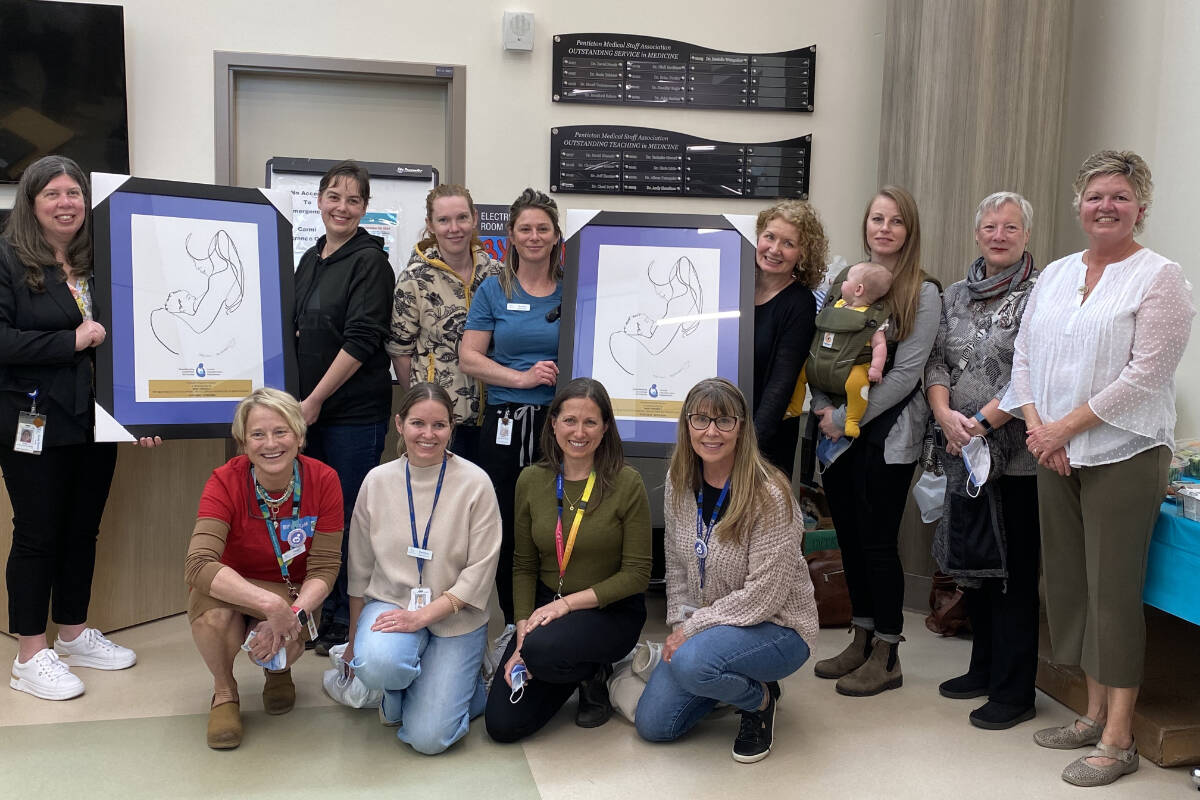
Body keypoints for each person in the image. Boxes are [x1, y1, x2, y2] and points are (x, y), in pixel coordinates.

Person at [1001, 151, 1194, 787]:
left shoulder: (1160, 277)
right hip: (1053, 449)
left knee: (1113, 593)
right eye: (1094, 196)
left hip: (1123, 452)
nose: (1105, 206)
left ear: (1141, 206)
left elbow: (1146, 375)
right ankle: (1089, 713)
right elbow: (1025, 354)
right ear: (1078, 205)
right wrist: (1038, 427)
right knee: (1070, 585)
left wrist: (1065, 427)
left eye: (1120, 196)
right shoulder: (1055, 273)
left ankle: (1119, 738)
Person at [1, 156, 160, 702]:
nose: (66, 203)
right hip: (33, 418)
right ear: (31, 202)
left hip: (96, 420)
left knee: (81, 529)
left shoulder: (101, 259)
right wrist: (70, 341)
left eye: (74, 193)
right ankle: (29, 653)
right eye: (53, 194)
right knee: (37, 532)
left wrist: (144, 411)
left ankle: (71, 633)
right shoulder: (6, 257)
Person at [635, 378, 817, 764]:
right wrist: (677, 624)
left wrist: (692, 632)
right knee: (654, 725)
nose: (711, 432)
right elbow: (677, 563)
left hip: (779, 627)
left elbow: (763, 598)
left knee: (690, 662)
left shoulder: (770, 494)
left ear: (742, 428)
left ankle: (759, 699)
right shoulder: (679, 480)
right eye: (700, 420)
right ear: (687, 425)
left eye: (724, 421)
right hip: (713, 626)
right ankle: (722, 673)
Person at [810, 185, 940, 696]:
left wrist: (846, 415)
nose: (884, 229)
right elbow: (821, 351)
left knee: (878, 543)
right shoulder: (845, 281)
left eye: (896, 221)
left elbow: (906, 375)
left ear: (910, 231)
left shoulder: (923, 293)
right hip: (837, 436)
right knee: (849, 539)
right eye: (876, 219)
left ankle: (888, 653)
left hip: (887, 437)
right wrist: (825, 411)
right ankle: (860, 639)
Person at [924, 191, 1040, 730]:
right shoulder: (953, 295)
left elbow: (1034, 372)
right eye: (990, 226)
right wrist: (947, 415)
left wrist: (983, 424)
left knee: (1014, 573)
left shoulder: (1040, 296)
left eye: (1010, 228)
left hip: (1016, 457)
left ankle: (1014, 690)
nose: (999, 235)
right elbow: (938, 361)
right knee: (977, 568)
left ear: (1025, 237)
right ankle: (984, 667)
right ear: (977, 234)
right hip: (960, 452)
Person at [484, 378, 651, 742]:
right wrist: (522, 627)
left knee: (543, 650)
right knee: (502, 724)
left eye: (590, 422)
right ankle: (582, 671)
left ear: (606, 427)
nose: (579, 431)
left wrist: (565, 608)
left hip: (609, 612)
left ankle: (591, 665)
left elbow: (637, 574)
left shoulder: (627, 483)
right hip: (546, 611)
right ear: (554, 423)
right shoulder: (530, 480)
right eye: (570, 420)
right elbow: (524, 563)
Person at [342, 383, 501, 754]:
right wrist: (353, 643)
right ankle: (413, 682)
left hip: (456, 614)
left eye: (439, 425)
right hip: (392, 604)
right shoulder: (377, 482)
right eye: (417, 423)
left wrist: (424, 617)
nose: (428, 435)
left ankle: (466, 683)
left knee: (429, 739)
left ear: (452, 427)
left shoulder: (476, 483)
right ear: (399, 424)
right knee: (377, 664)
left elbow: (480, 570)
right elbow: (359, 570)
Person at [184, 388, 343, 749]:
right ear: (243, 443)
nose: (270, 444)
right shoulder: (225, 480)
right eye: (257, 434)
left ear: (300, 436)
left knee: (291, 623)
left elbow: (324, 568)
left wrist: (293, 610)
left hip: (291, 589)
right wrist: (270, 607)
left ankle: (279, 672)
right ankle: (224, 692)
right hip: (233, 587)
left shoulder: (324, 480)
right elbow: (199, 563)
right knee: (214, 618)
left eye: (281, 431)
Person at [293, 160, 394, 654]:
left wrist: (313, 401)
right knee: (313, 516)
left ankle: (340, 615)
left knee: (347, 515)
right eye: (335, 196)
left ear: (364, 209)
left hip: (352, 415)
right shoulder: (310, 260)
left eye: (354, 200)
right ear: (319, 200)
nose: (342, 207)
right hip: (308, 414)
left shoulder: (371, 262)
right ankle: (315, 605)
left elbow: (361, 339)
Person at [460, 188, 563, 626]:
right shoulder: (492, 290)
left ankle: (552, 615)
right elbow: (470, 357)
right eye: (526, 228)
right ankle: (513, 620)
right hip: (505, 425)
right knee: (505, 525)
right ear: (512, 236)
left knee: (554, 526)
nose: (534, 236)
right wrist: (521, 378)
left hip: (562, 430)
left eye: (543, 228)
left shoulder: (572, 290)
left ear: (557, 236)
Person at [387, 185, 502, 463]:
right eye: (443, 220)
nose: (454, 228)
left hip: (494, 412)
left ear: (474, 218)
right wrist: (422, 398)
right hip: (439, 419)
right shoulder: (414, 279)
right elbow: (400, 350)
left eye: (462, 218)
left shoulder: (496, 272)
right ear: (430, 224)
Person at [751, 199, 827, 477]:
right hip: (718, 430)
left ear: (802, 255)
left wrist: (749, 446)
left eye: (788, 243)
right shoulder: (733, 282)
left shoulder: (800, 302)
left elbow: (781, 384)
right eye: (769, 236)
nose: (774, 249)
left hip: (764, 438)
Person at [798, 260, 893, 438]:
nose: (842, 283)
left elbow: (880, 345)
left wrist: (876, 368)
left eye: (846, 280)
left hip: (854, 366)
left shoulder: (871, 317)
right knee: (801, 370)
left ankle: (852, 419)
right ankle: (795, 404)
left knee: (857, 383)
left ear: (858, 289)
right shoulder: (838, 305)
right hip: (827, 361)